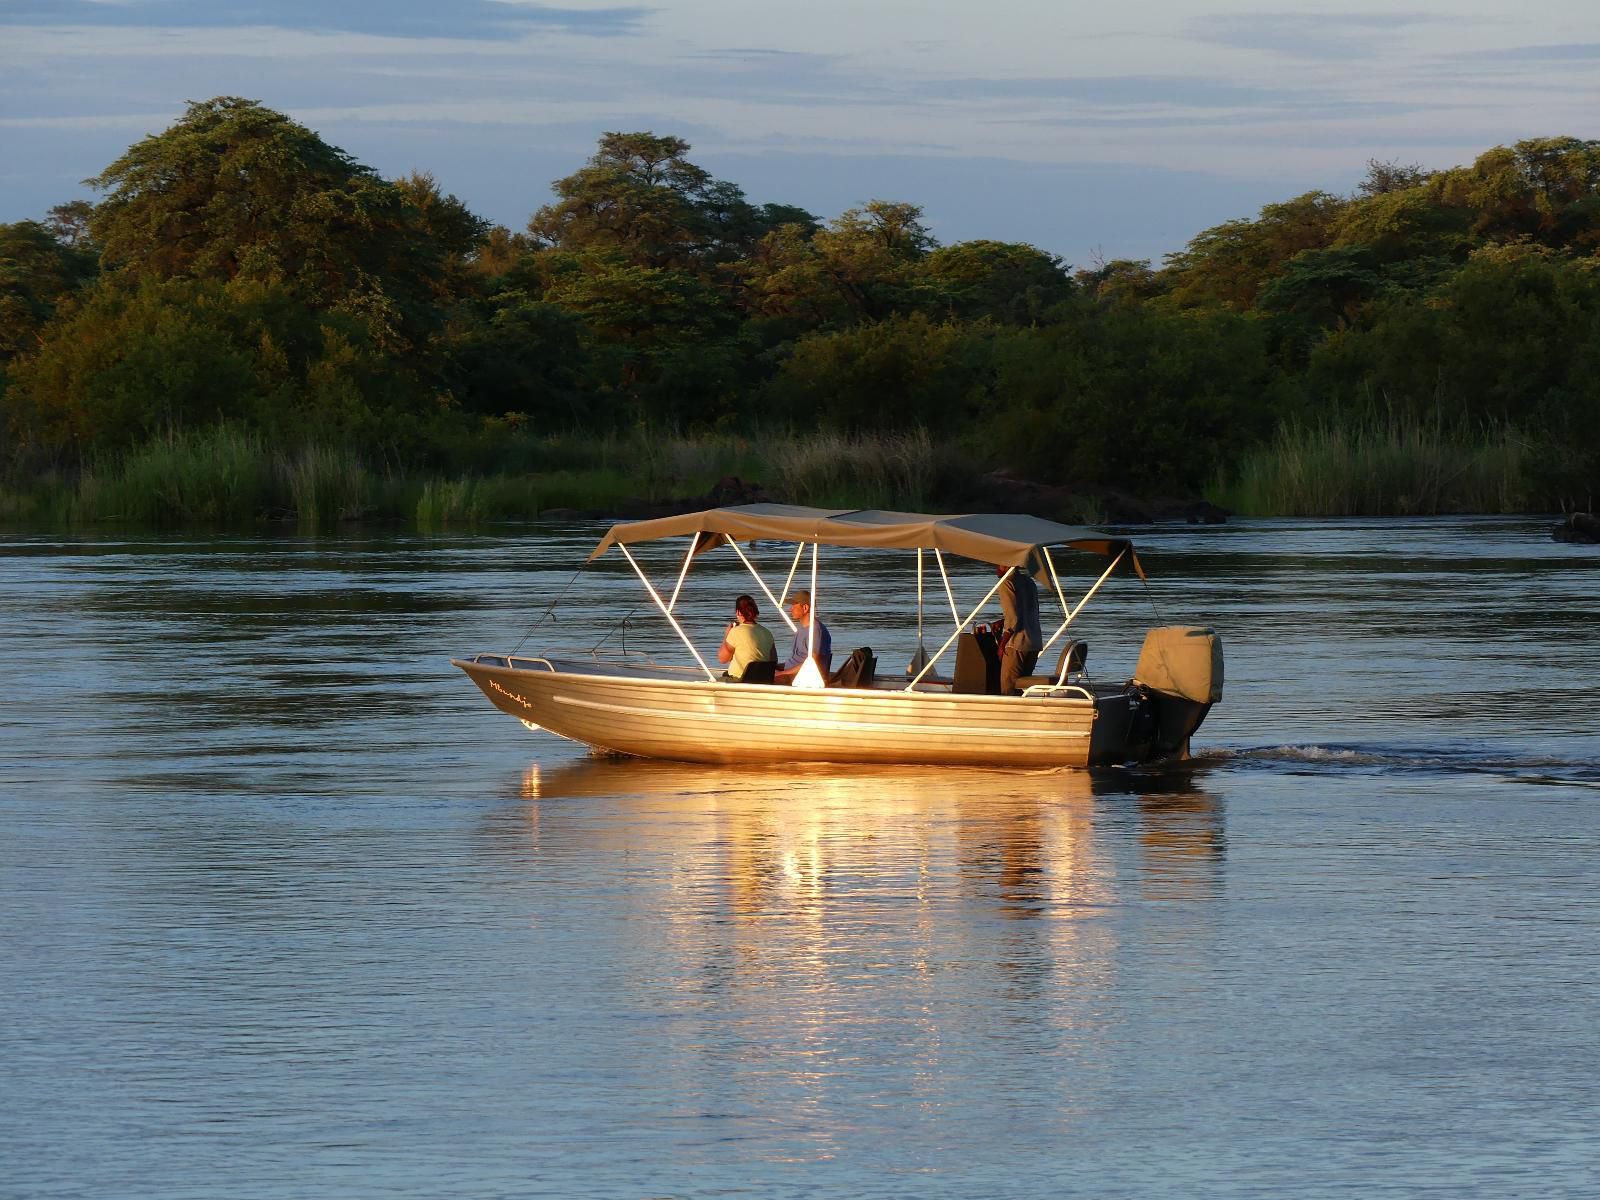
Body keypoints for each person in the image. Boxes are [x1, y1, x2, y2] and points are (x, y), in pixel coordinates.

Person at [994, 563, 1042, 694]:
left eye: (998, 565)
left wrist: (1002, 645)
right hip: (1034, 642)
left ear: (1005, 565)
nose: (996, 568)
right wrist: (1002, 621)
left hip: (1017, 644)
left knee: (1008, 687)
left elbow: (1013, 619)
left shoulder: (1006, 583)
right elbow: (1028, 612)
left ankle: (1008, 713)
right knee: (1021, 687)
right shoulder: (1029, 582)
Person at [775, 588, 832, 684]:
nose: (790, 609)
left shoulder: (816, 630)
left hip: (802, 678)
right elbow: (796, 659)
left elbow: (812, 662)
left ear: (805, 608)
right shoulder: (802, 628)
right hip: (792, 674)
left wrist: (782, 674)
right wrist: (776, 667)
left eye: (794, 605)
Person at [717, 594, 776, 681]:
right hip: (763, 679)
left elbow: (722, 659)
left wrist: (727, 635)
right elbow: (774, 659)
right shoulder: (767, 633)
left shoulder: (735, 632)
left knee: (715, 681)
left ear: (738, 612)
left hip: (740, 679)